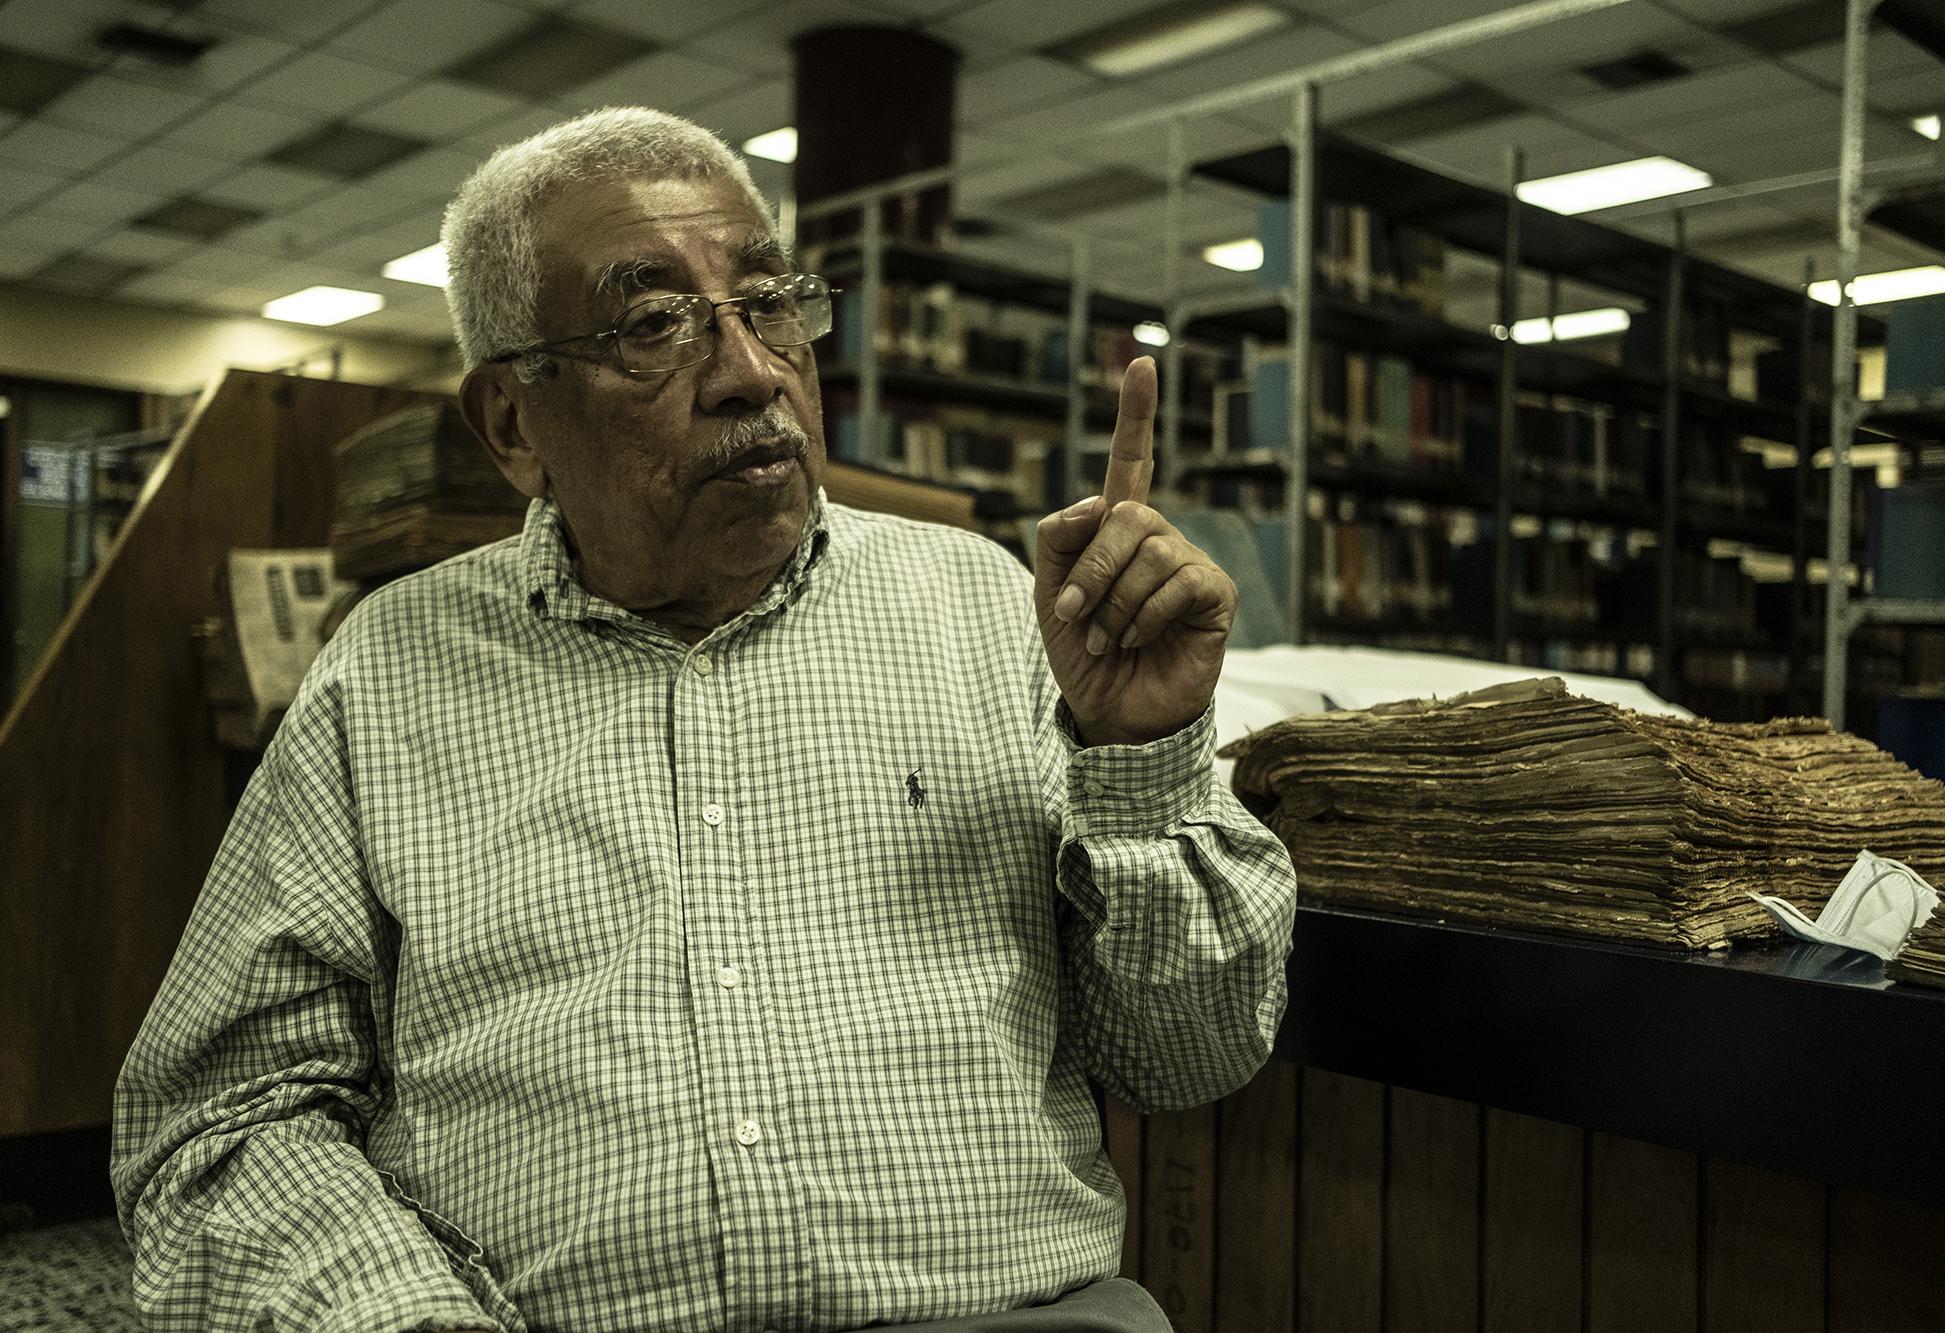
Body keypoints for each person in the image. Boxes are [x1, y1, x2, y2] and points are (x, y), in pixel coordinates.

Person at [111, 106, 1296, 1333]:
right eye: (651, 325)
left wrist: (1139, 761)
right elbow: (223, 1119)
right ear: (514, 423)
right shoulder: (391, 673)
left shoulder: (988, 613)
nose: (749, 372)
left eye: (769, 302)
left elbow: (1185, 1056)